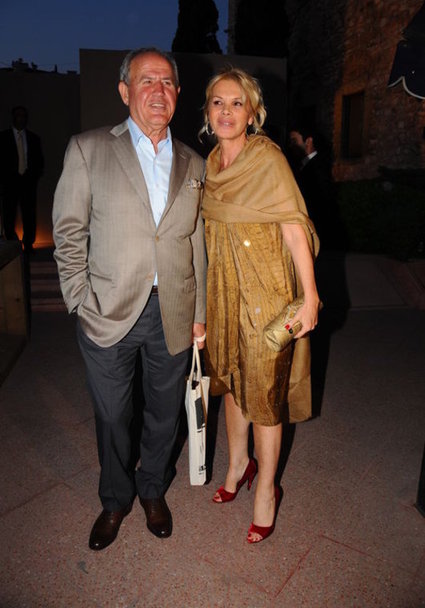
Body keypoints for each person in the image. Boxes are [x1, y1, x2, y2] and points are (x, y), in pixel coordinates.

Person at [52, 47, 206, 550]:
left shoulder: (195, 162)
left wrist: (200, 313)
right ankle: (115, 499)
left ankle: (152, 489)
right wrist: (79, 299)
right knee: (113, 416)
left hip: (174, 310)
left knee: (164, 413)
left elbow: (197, 243)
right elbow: (68, 232)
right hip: (107, 311)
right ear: (124, 91)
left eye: (167, 82)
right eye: (146, 81)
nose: (158, 91)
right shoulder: (88, 149)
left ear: (177, 93)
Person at [200, 68, 320, 543]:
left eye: (237, 103)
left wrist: (310, 297)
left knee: (265, 396)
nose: (227, 111)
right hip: (225, 291)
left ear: (252, 113)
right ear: (208, 111)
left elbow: (294, 227)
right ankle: (237, 465)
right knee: (232, 383)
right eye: (218, 102)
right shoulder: (210, 164)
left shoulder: (268, 158)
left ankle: (267, 489)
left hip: (266, 290)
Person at [0, 106, 44, 252]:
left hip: (28, 182)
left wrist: (33, 177)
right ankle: (12, 244)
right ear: (13, 117)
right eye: (18, 115)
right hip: (9, 182)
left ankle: (29, 243)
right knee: (9, 214)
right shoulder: (3, 137)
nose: (21, 118)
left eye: (24, 116)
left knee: (29, 214)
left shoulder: (33, 138)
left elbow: (39, 161)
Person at [288, 125, 336, 249]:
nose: (292, 146)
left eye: (295, 141)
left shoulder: (318, 166)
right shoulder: (304, 165)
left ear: (308, 141)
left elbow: (322, 199)